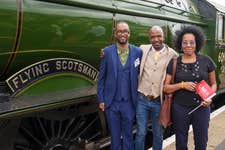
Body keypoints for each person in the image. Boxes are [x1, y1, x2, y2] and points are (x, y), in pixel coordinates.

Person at [163, 25, 217, 150]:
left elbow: (214, 84)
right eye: (185, 42)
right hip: (180, 108)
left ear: (196, 43)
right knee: (181, 143)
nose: (188, 45)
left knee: (201, 142)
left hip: (202, 108)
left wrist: (209, 97)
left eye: (191, 42)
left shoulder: (206, 61)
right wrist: (182, 85)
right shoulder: (174, 62)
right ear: (180, 45)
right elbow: (166, 88)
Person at [97, 21, 142, 150]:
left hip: (129, 102)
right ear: (116, 34)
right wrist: (101, 99)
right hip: (112, 103)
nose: (122, 34)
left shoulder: (138, 52)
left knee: (128, 135)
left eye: (125, 31)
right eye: (119, 31)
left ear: (129, 34)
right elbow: (101, 78)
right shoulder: (107, 52)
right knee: (115, 137)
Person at [135, 25, 177, 150]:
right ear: (149, 38)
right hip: (142, 99)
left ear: (163, 36)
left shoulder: (172, 54)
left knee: (158, 134)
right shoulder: (142, 49)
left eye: (159, 36)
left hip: (159, 101)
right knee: (141, 133)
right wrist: (107, 51)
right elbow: (127, 52)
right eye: (153, 37)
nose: (156, 39)